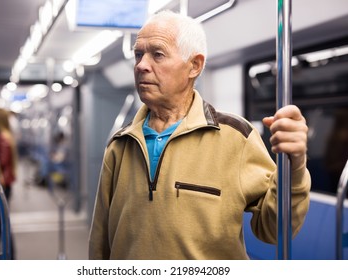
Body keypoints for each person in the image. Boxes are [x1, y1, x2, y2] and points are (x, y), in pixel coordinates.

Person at [88, 10, 311, 260]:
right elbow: (100, 240)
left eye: (157, 55)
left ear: (194, 65)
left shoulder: (235, 138)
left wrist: (295, 166)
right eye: (138, 54)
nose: (141, 65)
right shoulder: (120, 144)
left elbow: (275, 229)